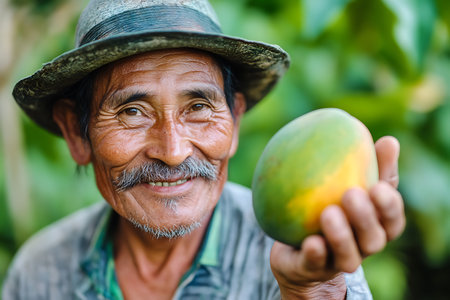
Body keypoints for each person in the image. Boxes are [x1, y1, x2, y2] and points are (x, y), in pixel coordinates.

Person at [3, 0, 406, 299]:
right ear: (77, 133)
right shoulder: (40, 274)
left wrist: (310, 293)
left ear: (233, 123)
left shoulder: (309, 261)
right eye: (132, 111)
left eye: (198, 108)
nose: (174, 152)